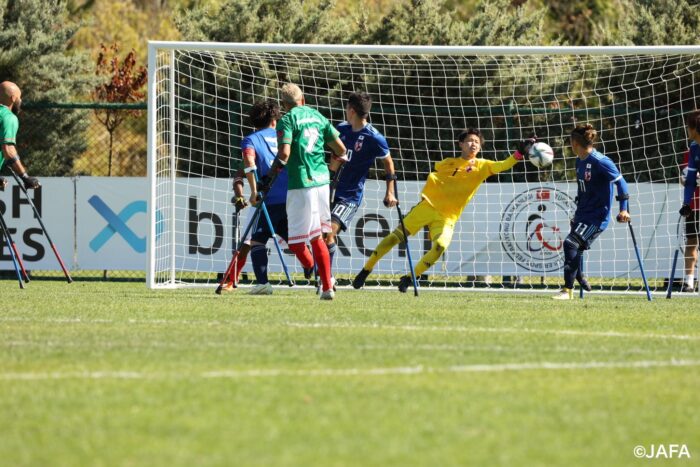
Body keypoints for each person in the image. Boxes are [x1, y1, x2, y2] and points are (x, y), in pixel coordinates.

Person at [353, 128, 530, 292]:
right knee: (393, 238)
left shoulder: (483, 166)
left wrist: (519, 153)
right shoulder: (447, 163)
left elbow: (504, 165)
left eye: (477, 141)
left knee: (440, 246)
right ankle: (366, 269)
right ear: (461, 144)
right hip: (427, 207)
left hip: (446, 218)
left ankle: (409, 277)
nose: (473, 144)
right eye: (469, 140)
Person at [260, 83, 347, 300]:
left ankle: (312, 268)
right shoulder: (318, 116)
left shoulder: (287, 120)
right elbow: (341, 150)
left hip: (301, 184)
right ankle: (327, 285)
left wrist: (269, 176)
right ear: (303, 100)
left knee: (298, 241)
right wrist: (330, 168)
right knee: (317, 235)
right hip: (322, 183)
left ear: (284, 105)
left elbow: (284, 155)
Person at [553, 124, 630, 300]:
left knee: (570, 244)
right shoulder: (579, 161)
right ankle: (579, 276)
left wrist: (624, 210)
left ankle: (567, 290)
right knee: (576, 247)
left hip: (597, 217)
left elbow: (621, 183)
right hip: (582, 214)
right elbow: (583, 189)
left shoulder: (601, 161)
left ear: (574, 143)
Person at [326, 92, 397, 281]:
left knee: (328, 233)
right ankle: (319, 272)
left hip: (350, 196)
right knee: (318, 235)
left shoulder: (374, 137)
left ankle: (326, 278)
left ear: (351, 110)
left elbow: (388, 163)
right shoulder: (340, 129)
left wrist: (390, 192)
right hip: (328, 190)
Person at [0, 81, 40, 190]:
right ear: (13, 98)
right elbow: (8, 149)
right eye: (19, 97)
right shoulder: (8, 117)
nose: (20, 101)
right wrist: (25, 177)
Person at [679, 110, 700, 293]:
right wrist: (686, 203)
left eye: (688, 126)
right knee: (691, 242)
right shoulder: (693, 148)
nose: (686, 129)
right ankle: (689, 282)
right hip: (695, 206)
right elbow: (689, 178)